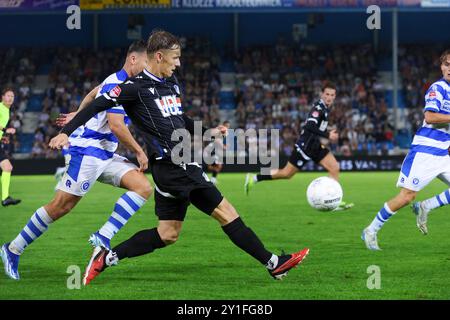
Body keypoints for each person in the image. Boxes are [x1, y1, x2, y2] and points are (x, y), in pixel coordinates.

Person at [49, 30, 309, 285]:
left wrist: (209, 131)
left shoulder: (171, 84)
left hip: (173, 166)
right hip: (175, 166)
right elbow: (96, 104)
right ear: (159, 56)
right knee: (226, 211)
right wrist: (65, 133)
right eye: (175, 58)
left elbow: (179, 120)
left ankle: (107, 258)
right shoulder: (132, 88)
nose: (179, 63)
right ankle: (273, 263)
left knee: (168, 233)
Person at [0, 41, 152, 280]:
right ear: (133, 59)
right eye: (146, 62)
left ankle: (104, 235)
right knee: (61, 206)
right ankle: (12, 249)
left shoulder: (116, 80)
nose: (147, 68)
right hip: (88, 151)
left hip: (105, 153)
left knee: (143, 187)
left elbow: (92, 94)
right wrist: (139, 151)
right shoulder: (117, 83)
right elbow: (116, 125)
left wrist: (78, 115)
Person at [362, 49, 450, 250]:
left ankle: (427, 206)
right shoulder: (438, 88)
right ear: (441, 67)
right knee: (406, 197)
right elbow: (430, 117)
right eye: (446, 64)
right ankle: (371, 230)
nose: (449, 69)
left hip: (443, 154)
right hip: (424, 153)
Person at [244, 82, 353, 211]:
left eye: (332, 95)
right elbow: (309, 126)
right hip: (305, 146)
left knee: (334, 167)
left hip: (315, 145)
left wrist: (326, 132)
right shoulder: (318, 109)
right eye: (327, 94)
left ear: (335, 96)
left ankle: (334, 201)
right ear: (322, 94)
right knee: (286, 174)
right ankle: (255, 177)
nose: (329, 97)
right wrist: (328, 134)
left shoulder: (326, 108)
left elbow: (316, 127)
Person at [0, 88, 21, 206]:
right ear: (2, 97)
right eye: (8, 96)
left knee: (7, 167)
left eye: (12, 96)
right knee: (7, 167)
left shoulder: (7, 110)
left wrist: (2, 137)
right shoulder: (0, 107)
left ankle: (5, 198)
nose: (10, 98)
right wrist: (5, 130)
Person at [205, 120, 230, 185]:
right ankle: (209, 177)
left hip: (215, 150)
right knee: (217, 166)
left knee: (219, 166)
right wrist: (223, 146)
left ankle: (213, 179)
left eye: (228, 126)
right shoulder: (221, 129)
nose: (227, 127)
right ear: (224, 125)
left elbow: (217, 139)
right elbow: (216, 139)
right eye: (227, 125)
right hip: (212, 150)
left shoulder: (224, 132)